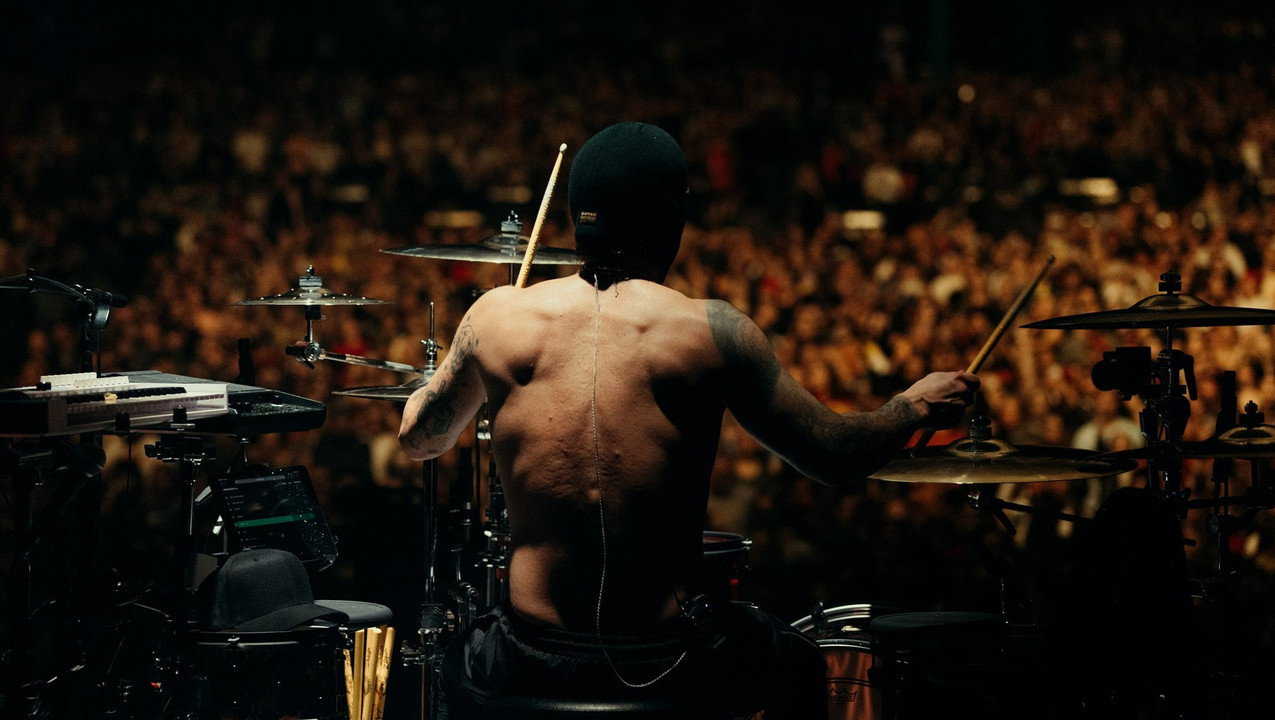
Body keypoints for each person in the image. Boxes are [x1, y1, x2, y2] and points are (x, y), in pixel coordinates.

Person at [399, 122, 979, 718]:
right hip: (665, 657)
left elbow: (419, 440)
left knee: (452, 662)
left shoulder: (495, 317)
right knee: (800, 661)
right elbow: (833, 455)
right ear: (669, 219)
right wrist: (911, 406)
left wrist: (445, 375)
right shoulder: (712, 331)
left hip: (527, 653)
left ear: (576, 215)